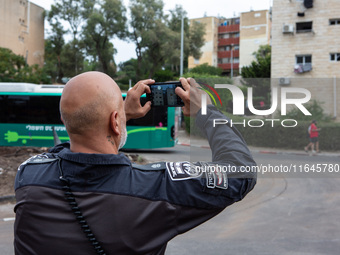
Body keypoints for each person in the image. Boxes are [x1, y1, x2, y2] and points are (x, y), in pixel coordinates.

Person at [14, 71, 257, 255]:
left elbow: (67, 150)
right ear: (115, 121)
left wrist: (120, 116)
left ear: (64, 120)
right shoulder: (154, 189)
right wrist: (207, 111)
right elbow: (241, 171)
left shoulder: (28, 177)